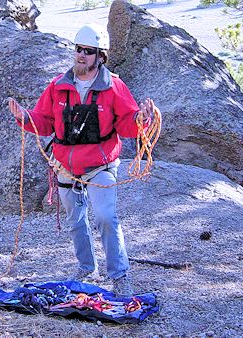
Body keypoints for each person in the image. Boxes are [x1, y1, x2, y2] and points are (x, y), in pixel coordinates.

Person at [8, 23, 156, 297]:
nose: (81, 55)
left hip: (100, 166)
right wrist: (24, 117)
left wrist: (142, 119)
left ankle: (119, 275)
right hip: (65, 167)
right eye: (78, 49)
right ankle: (87, 267)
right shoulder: (58, 86)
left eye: (88, 51)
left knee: (105, 217)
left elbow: (127, 125)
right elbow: (45, 122)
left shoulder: (114, 87)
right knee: (76, 221)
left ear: (100, 56)